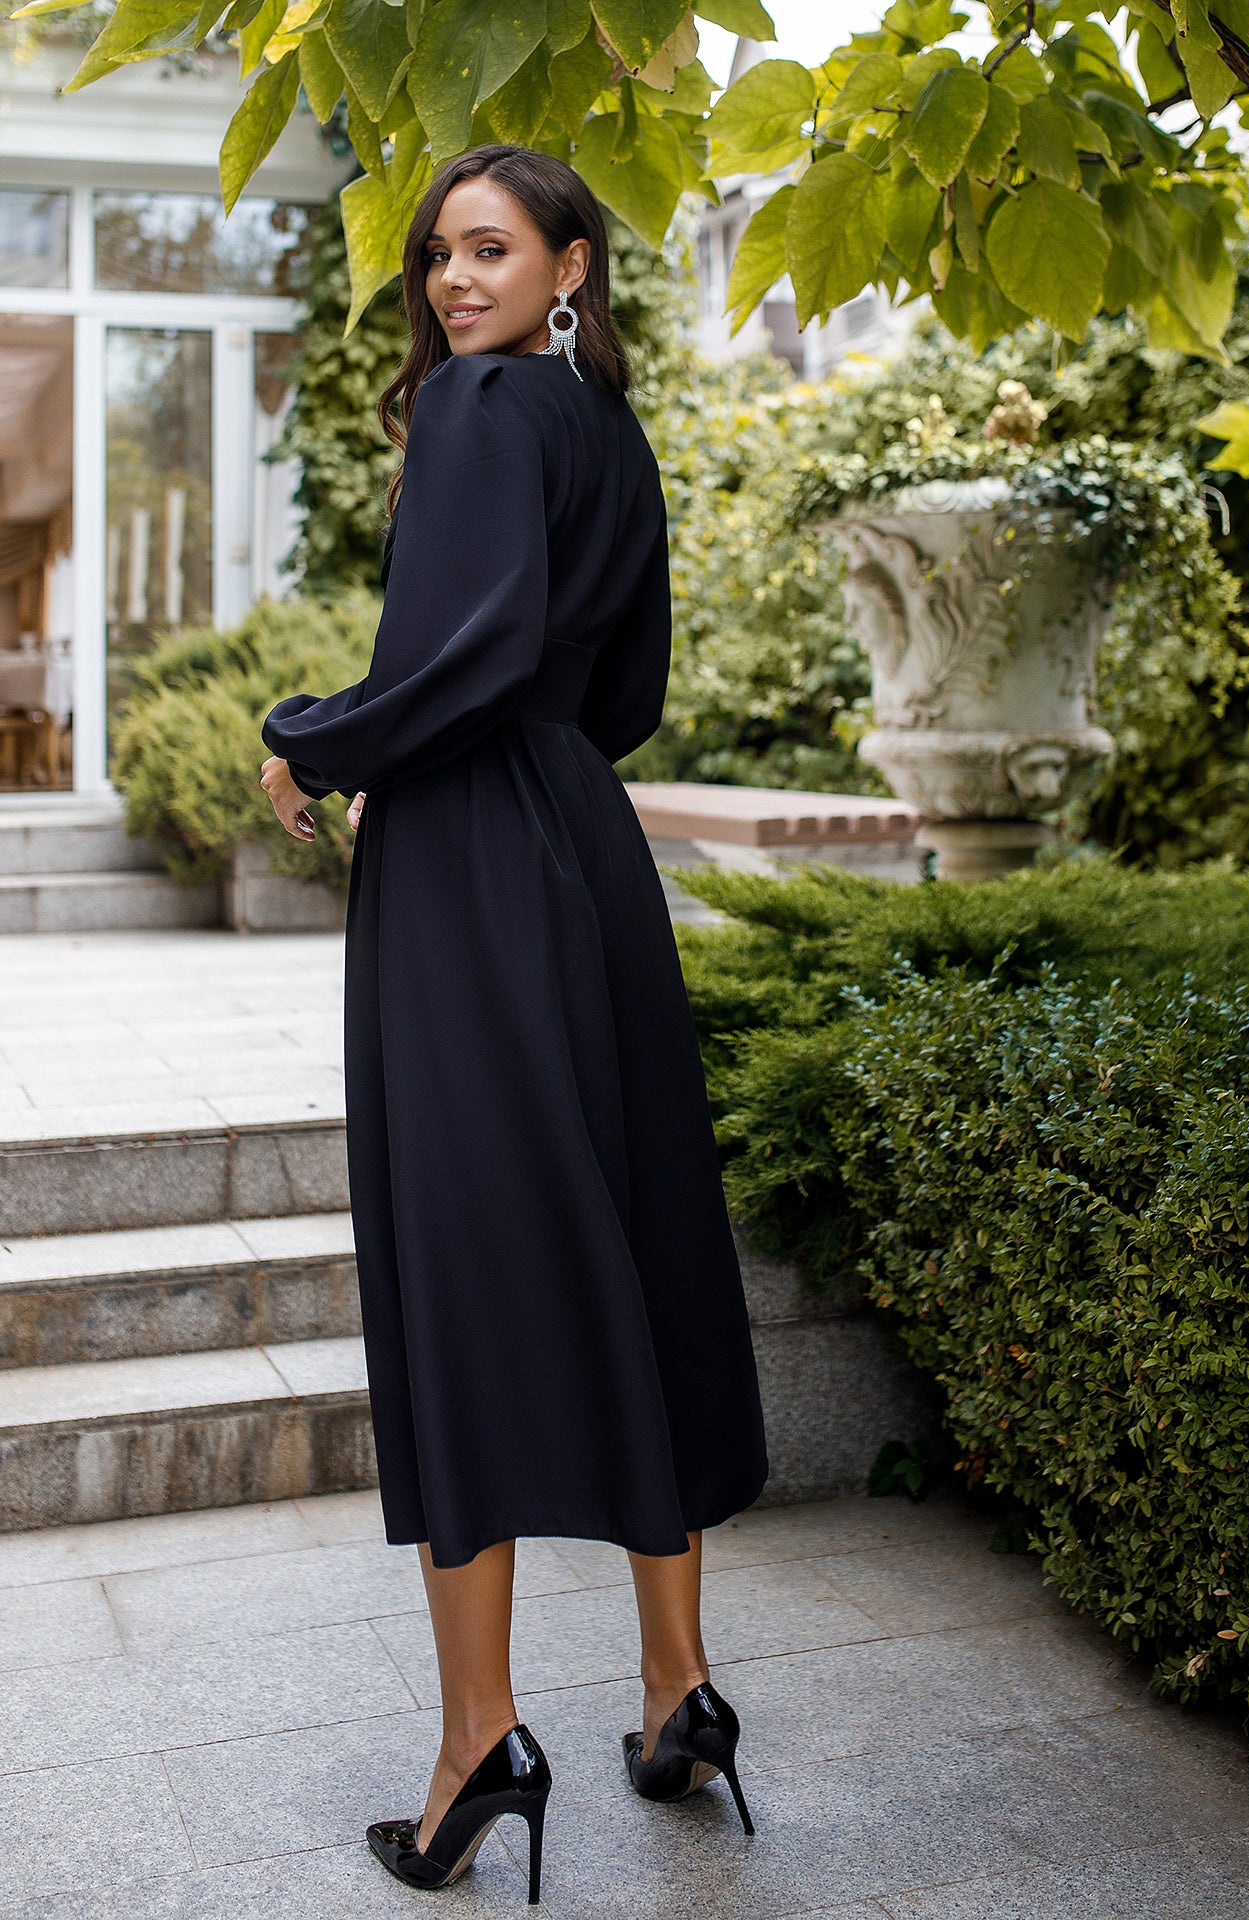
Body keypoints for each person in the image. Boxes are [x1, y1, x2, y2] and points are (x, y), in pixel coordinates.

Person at [258, 143, 770, 1906]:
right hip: (581, 843)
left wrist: (314, 737)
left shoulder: (472, 408)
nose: (451, 281)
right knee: (628, 1233)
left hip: (469, 860)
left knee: (459, 1264)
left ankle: (478, 1740)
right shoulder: (608, 429)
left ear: (570, 265)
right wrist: (517, 741)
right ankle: (677, 1689)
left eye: (488, 248)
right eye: (433, 256)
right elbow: (620, 690)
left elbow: (459, 659)